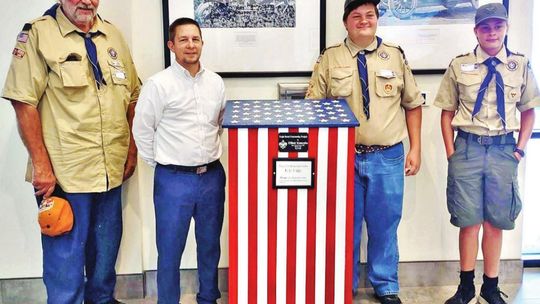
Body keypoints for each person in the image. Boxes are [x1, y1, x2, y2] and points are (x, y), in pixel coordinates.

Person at [2, 0, 140, 303]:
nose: (86, 2)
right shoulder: (39, 34)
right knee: (65, 265)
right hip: (64, 175)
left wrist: (131, 151)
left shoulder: (113, 35)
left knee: (105, 257)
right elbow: (23, 102)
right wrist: (41, 167)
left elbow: (133, 97)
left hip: (110, 171)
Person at [306, 0, 423, 303]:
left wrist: (416, 149)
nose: (363, 21)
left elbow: (412, 105)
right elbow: (312, 109)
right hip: (343, 158)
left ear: (377, 19)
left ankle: (385, 285)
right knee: (344, 226)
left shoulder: (394, 56)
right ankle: (342, 286)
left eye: (369, 15)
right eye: (356, 16)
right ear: (345, 22)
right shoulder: (330, 58)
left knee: (385, 225)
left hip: (388, 155)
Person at [434, 3, 540, 304]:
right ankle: (465, 287)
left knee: (495, 221)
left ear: (506, 28)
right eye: (485, 27)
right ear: (476, 31)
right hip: (467, 149)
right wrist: (452, 152)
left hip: (503, 150)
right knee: (469, 221)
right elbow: (446, 113)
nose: (492, 32)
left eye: (497, 26)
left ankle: (490, 287)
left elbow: (528, 110)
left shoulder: (519, 65)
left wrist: (519, 150)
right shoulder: (459, 65)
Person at [132, 17, 226, 304]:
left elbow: (218, 124)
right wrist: (164, 164)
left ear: (202, 43)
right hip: (173, 180)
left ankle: (208, 298)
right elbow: (142, 130)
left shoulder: (215, 82)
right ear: (171, 45)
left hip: (211, 177)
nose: (190, 45)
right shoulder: (158, 85)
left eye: (195, 39)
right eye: (183, 39)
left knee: (210, 246)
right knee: (170, 249)